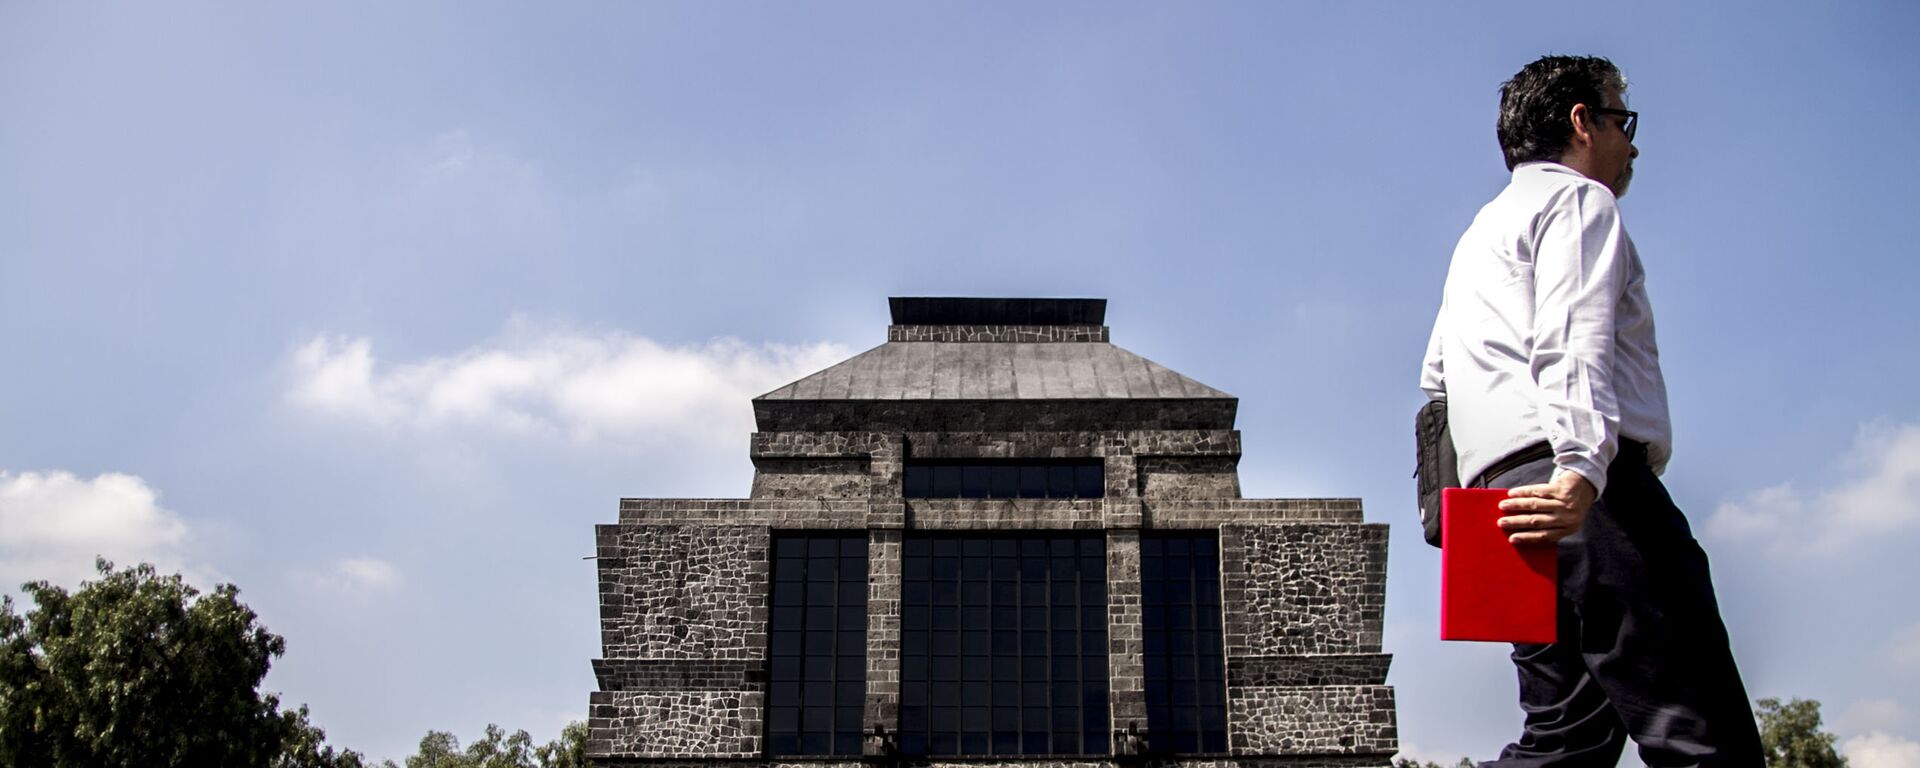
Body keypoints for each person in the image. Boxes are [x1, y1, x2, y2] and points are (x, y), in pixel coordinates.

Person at [1419, 55, 1765, 766]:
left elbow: (1438, 385)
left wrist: (1458, 519)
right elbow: (1572, 336)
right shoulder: (1578, 203)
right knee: (1700, 728)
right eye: (1622, 121)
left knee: (1564, 740)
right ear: (1582, 121)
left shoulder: (1477, 236)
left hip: (1498, 507)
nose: (1631, 144)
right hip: (1583, 495)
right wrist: (1580, 468)